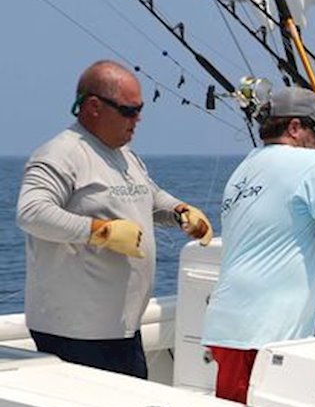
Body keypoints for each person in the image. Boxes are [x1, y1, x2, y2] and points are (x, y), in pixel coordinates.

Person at [16, 59, 213, 379]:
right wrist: (99, 231)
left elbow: (149, 197)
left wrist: (180, 213)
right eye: (128, 110)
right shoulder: (60, 154)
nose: (138, 119)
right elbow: (32, 212)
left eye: (139, 109)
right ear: (94, 106)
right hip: (77, 334)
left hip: (121, 329)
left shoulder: (124, 154)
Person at [202, 87, 315, 404]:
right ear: (294, 127)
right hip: (272, 333)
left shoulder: (244, 169)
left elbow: (291, 218)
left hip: (226, 326)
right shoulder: (311, 163)